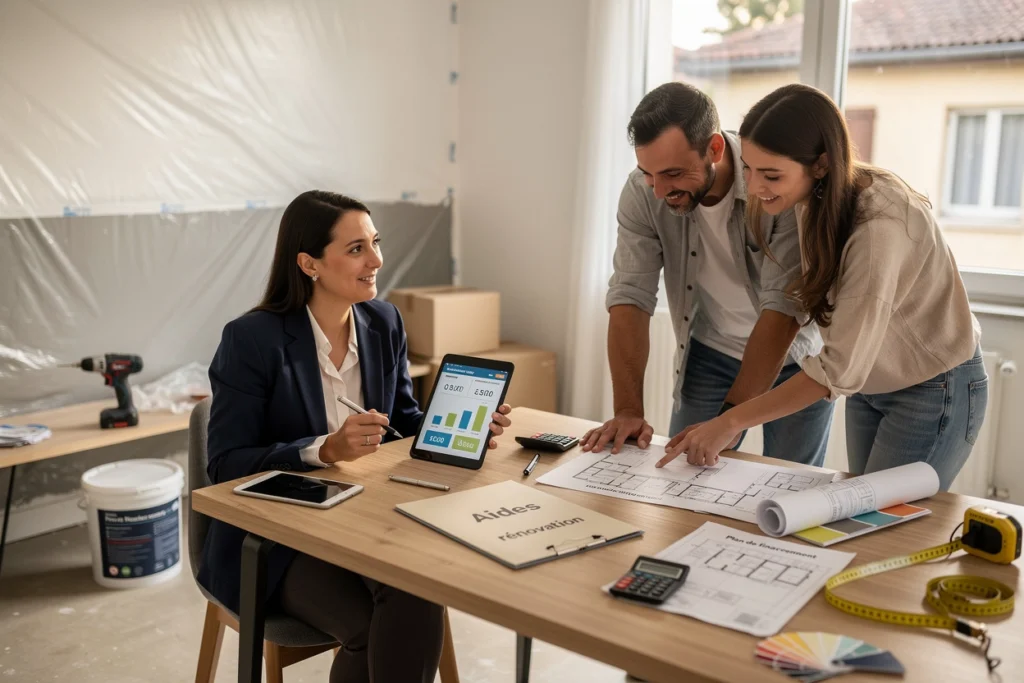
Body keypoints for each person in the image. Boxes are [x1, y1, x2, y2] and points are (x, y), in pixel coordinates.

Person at [198, 190, 513, 683]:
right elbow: (225, 464)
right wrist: (323, 450)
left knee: (418, 587)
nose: (376, 260)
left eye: (375, 242)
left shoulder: (384, 322)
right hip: (278, 540)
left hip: (366, 519)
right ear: (309, 264)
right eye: (356, 249)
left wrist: (457, 427)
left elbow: (402, 421)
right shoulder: (251, 339)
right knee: (374, 625)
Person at [658, 84, 987, 491]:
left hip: (933, 387)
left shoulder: (879, 229)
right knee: (861, 511)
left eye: (771, 175)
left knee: (881, 516)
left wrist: (730, 421)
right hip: (870, 383)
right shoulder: (814, 195)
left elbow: (835, 368)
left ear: (821, 164)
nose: (755, 187)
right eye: (749, 169)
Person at [581, 82, 833, 466]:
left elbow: (783, 311)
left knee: (791, 485)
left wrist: (730, 420)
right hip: (710, 351)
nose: (658, 191)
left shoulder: (774, 185)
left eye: (673, 173)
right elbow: (630, 295)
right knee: (685, 475)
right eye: (648, 173)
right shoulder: (643, 192)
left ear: (714, 149)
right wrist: (628, 410)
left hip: (793, 356)